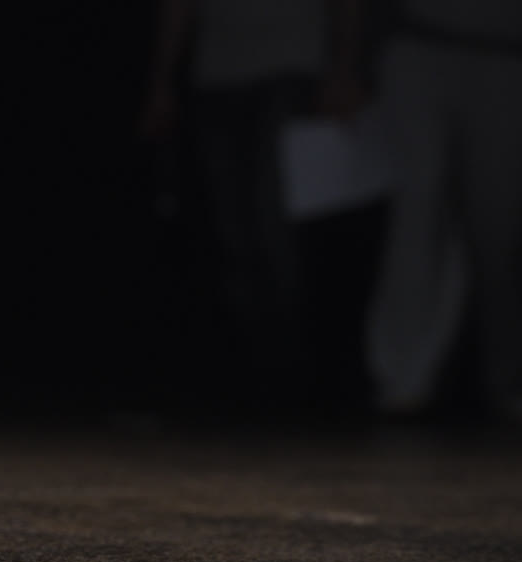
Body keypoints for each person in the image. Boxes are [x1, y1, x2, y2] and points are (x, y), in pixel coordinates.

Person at [364, 0, 522, 424]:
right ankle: (404, 371)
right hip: (419, 40)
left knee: (502, 221)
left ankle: (512, 372)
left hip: (514, 51)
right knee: (417, 209)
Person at [142, 0, 364, 415]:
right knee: (233, 230)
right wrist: (161, 82)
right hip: (218, 73)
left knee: (273, 220)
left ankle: (296, 376)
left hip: (291, 66)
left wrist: (344, 68)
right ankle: (257, 372)